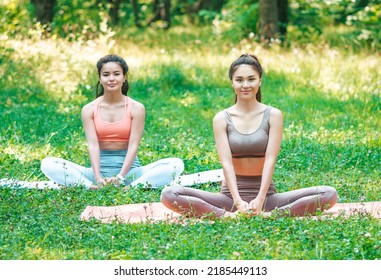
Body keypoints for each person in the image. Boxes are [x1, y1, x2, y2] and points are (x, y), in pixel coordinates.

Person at [161, 54, 338, 218]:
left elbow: (270, 160)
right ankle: (229, 217)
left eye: (251, 79)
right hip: (229, 197)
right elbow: (226, 164)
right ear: (232, 83)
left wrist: (260, 199)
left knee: (329, 194)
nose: (245, 85)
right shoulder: (221, 118)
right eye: (239, 80)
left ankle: (271, 215)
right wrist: (237, 201)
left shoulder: (273, 115)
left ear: (259, 81)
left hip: (267, 196)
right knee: (169, 194)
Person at [39, 54, 184, 190]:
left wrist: (121, 177)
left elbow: (134, 145)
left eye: (116, 74)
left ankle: (129, 188)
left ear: (124, 77)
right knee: (48, 164)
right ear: (100, 78)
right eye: (106, 75)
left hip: (130, 173)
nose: (111, 79)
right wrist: (97, 177)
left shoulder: (136, 108)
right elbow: (93, 144)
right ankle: (91, 187)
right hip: (97, 173)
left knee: (176, 164)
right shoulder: (89, 109)